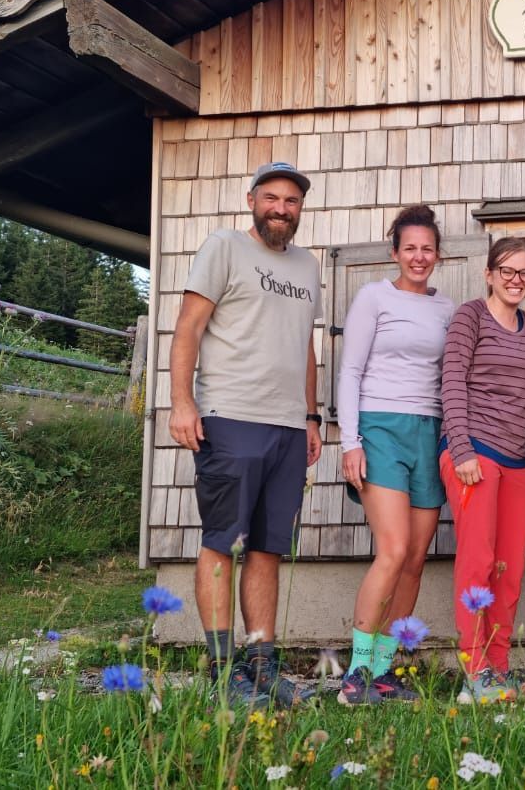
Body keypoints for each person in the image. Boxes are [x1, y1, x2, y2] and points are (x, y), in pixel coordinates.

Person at [169, 161, 322, 708]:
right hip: (230, 416)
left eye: (292, 201)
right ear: (252, 199)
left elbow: (305, 346)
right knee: (223, 542)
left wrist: (310, 416)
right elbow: (188, 327)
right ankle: (219, 670)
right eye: (272, 198)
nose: (282, 208)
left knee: (267, 550)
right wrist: (182, 401)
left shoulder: (307, 267)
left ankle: (261, 665)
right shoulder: (224, 247)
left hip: (286, 427)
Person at [334, 205, 457, 705]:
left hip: (429, 433)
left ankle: (385, 671)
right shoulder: (373, 298)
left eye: (427, 249)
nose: (419, 256)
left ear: (438, 255)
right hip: (380, 426)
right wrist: (350, 441)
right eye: (410, 248)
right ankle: (356, 674)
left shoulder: (447, 308)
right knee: (394, 550)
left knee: (415, 561)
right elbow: (351, 371)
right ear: (395, 253)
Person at [440, 237, 525, 703]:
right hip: (475, 451)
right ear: (489, 274)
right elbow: (452, 383)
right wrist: (461, 448)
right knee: (478, 562)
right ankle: (474, 670)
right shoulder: (471, 316)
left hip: (519, 459)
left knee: (509, 569)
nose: (517, 281)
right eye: (508, 271)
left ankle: (498, 669)